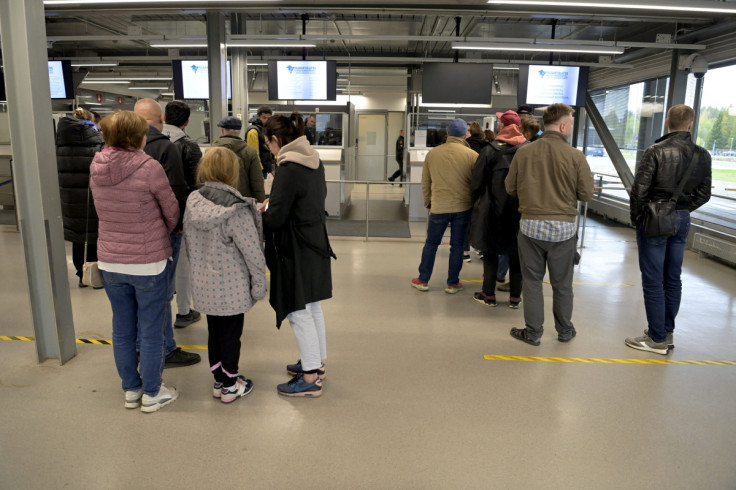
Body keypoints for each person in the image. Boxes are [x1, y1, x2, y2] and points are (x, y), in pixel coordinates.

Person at [90, 110, 180, 413]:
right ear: (135, 137)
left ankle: (131, 389)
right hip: (148, 262)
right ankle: (153, 392)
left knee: (123, 329)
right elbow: (171, 210)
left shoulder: (97, 166)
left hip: (111, 261)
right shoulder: (149, 166)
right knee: (152, 329)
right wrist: (160, 234)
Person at [625, 104, 711, 355]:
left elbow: (638, 191)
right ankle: (665, 330)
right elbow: (704, 194)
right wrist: (682, 210)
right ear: (691, 124)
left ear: (667, 123)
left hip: (654, 220)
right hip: (682, 217)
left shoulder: (655, 151)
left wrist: (638, 218)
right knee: (672, 278)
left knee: (653, 279)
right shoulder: (703, 155)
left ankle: (656, 338)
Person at [505, 103, 594, 345]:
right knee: (562, 284)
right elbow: (586, 194)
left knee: (532, 282)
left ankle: (533, 333)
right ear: (563, 125)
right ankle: (565, 330)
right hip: (563, 231)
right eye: (572, 124)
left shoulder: (524, 152)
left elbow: (510, 187)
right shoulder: (576, 156)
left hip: (530, 227)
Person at [184, 147, 267, 403]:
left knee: (215, 333)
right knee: (232, 336)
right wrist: (259, 287)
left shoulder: (193, 201)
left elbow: (188, 243)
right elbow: (253, 253)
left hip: (204, 284)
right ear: (233, 172)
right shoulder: (237, 210)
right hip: (232, 286)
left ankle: (219, 381)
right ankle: (231, 386)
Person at [262, 112, 335, 398]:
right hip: (315, 242)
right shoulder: (313, 161)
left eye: (268, 142)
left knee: (297, 310)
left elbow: (277, 217)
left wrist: (264, 212)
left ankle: (310, 379)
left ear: (277, 140)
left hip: (295, 247)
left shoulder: (288, 167)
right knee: (312, 306)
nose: (268, 148)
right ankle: (316, 363)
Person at [134, 98, 201, 368]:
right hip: (161, 231)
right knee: (162, 291)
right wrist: (179, 224)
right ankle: (166, 349)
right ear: (160, 118)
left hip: (124, 238)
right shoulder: (165, 147)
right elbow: (177, 191)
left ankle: (139, 347)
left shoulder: (110, 151)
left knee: (135, 297)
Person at [411, 118, 477, 293]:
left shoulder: (433, 153)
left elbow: (425, 181)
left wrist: (428, 201)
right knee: (457, 245)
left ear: (447, 134)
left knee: (431, 244)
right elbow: (476, 184)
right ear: (465, 135)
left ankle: (423, 280)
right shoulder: (472, 155)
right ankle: (452, 283)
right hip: (463, 207)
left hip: (439, 206)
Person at [470, 110, 527, 308]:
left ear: (502, 126)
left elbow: (477, 182)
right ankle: (515, 298)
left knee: (491, 251)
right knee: (517, 253)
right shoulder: (528, 150)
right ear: (518, 127)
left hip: (492, 208)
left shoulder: (490, 150)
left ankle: (489, 295)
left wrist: (475, 201)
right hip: (521, 211)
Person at [163, 100, 203, 329]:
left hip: (154, 213)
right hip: (181, 214)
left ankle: (163, 311)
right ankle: (184, 311)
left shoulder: (149, 141)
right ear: (187, 122)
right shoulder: (189, 146)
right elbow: (197, 184)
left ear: (164, 117)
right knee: (182, 264)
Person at [56, 107, 104, 288]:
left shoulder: (61, 143)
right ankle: (93, 274)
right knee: (92, 235)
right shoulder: (95, 142)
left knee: (77, 236)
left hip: (69, 197)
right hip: (91, 196)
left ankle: (79, 274)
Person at [211, 116, 266, 202]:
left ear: (222, 130)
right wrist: (260, 205)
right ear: (239, 132)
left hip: (216, 201)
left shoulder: (211, 151)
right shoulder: (250, 152)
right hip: (243, 203)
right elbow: (257, 182)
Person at [246, 105, 275, 178]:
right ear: (258, 117)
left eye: (269, 118)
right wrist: (259, 171)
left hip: (265, 169)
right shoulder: (253, 131)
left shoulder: (265, 130)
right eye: (264, 118)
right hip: (258, 171)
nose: (266, 120)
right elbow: (254, 154)